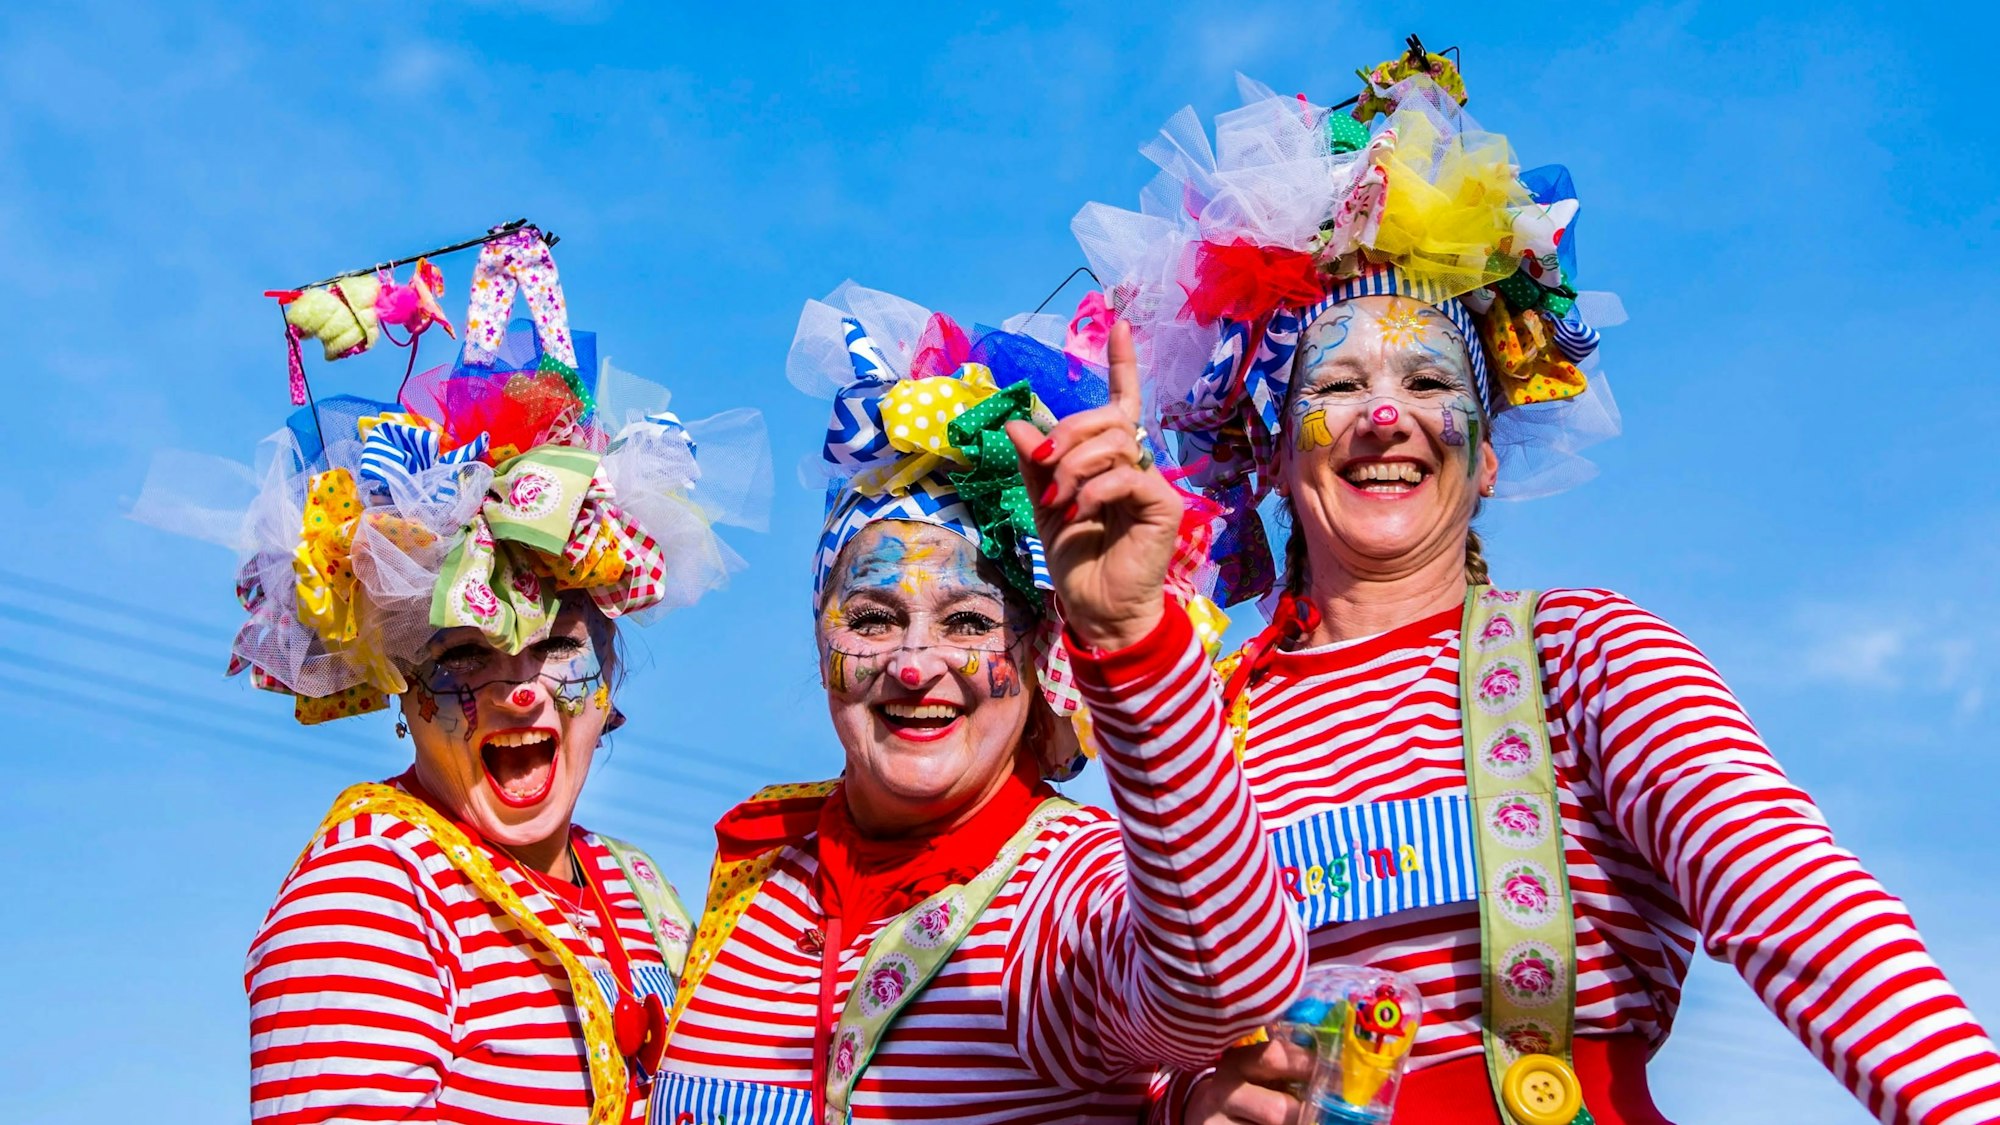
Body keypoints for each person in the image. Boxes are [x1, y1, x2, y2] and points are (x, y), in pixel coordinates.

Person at [1071, 44, 2000, 1125]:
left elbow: (1801, 912)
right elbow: (1123, 1034)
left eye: (1428, 381)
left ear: (1490, 451)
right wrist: (1188, 1101)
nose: (1386, 416)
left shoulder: (1586, 654)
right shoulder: (1194, 719)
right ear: (1269, 452)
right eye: (1334, 382)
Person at [136, 224, 768, 1125]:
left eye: (556, 643)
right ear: (401, 685)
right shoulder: (368, 894)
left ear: (610, 670)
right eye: (464, 654)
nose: (520, 688)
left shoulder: (636, 887)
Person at [650, 284, 1304, 1124]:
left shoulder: (1061, 887)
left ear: (1037, 655)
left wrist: (1129, 630)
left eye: (967, 621)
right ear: (820, 643)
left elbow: (1224, 979)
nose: (916, 665)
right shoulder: (762, 872)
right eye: (874, 619)